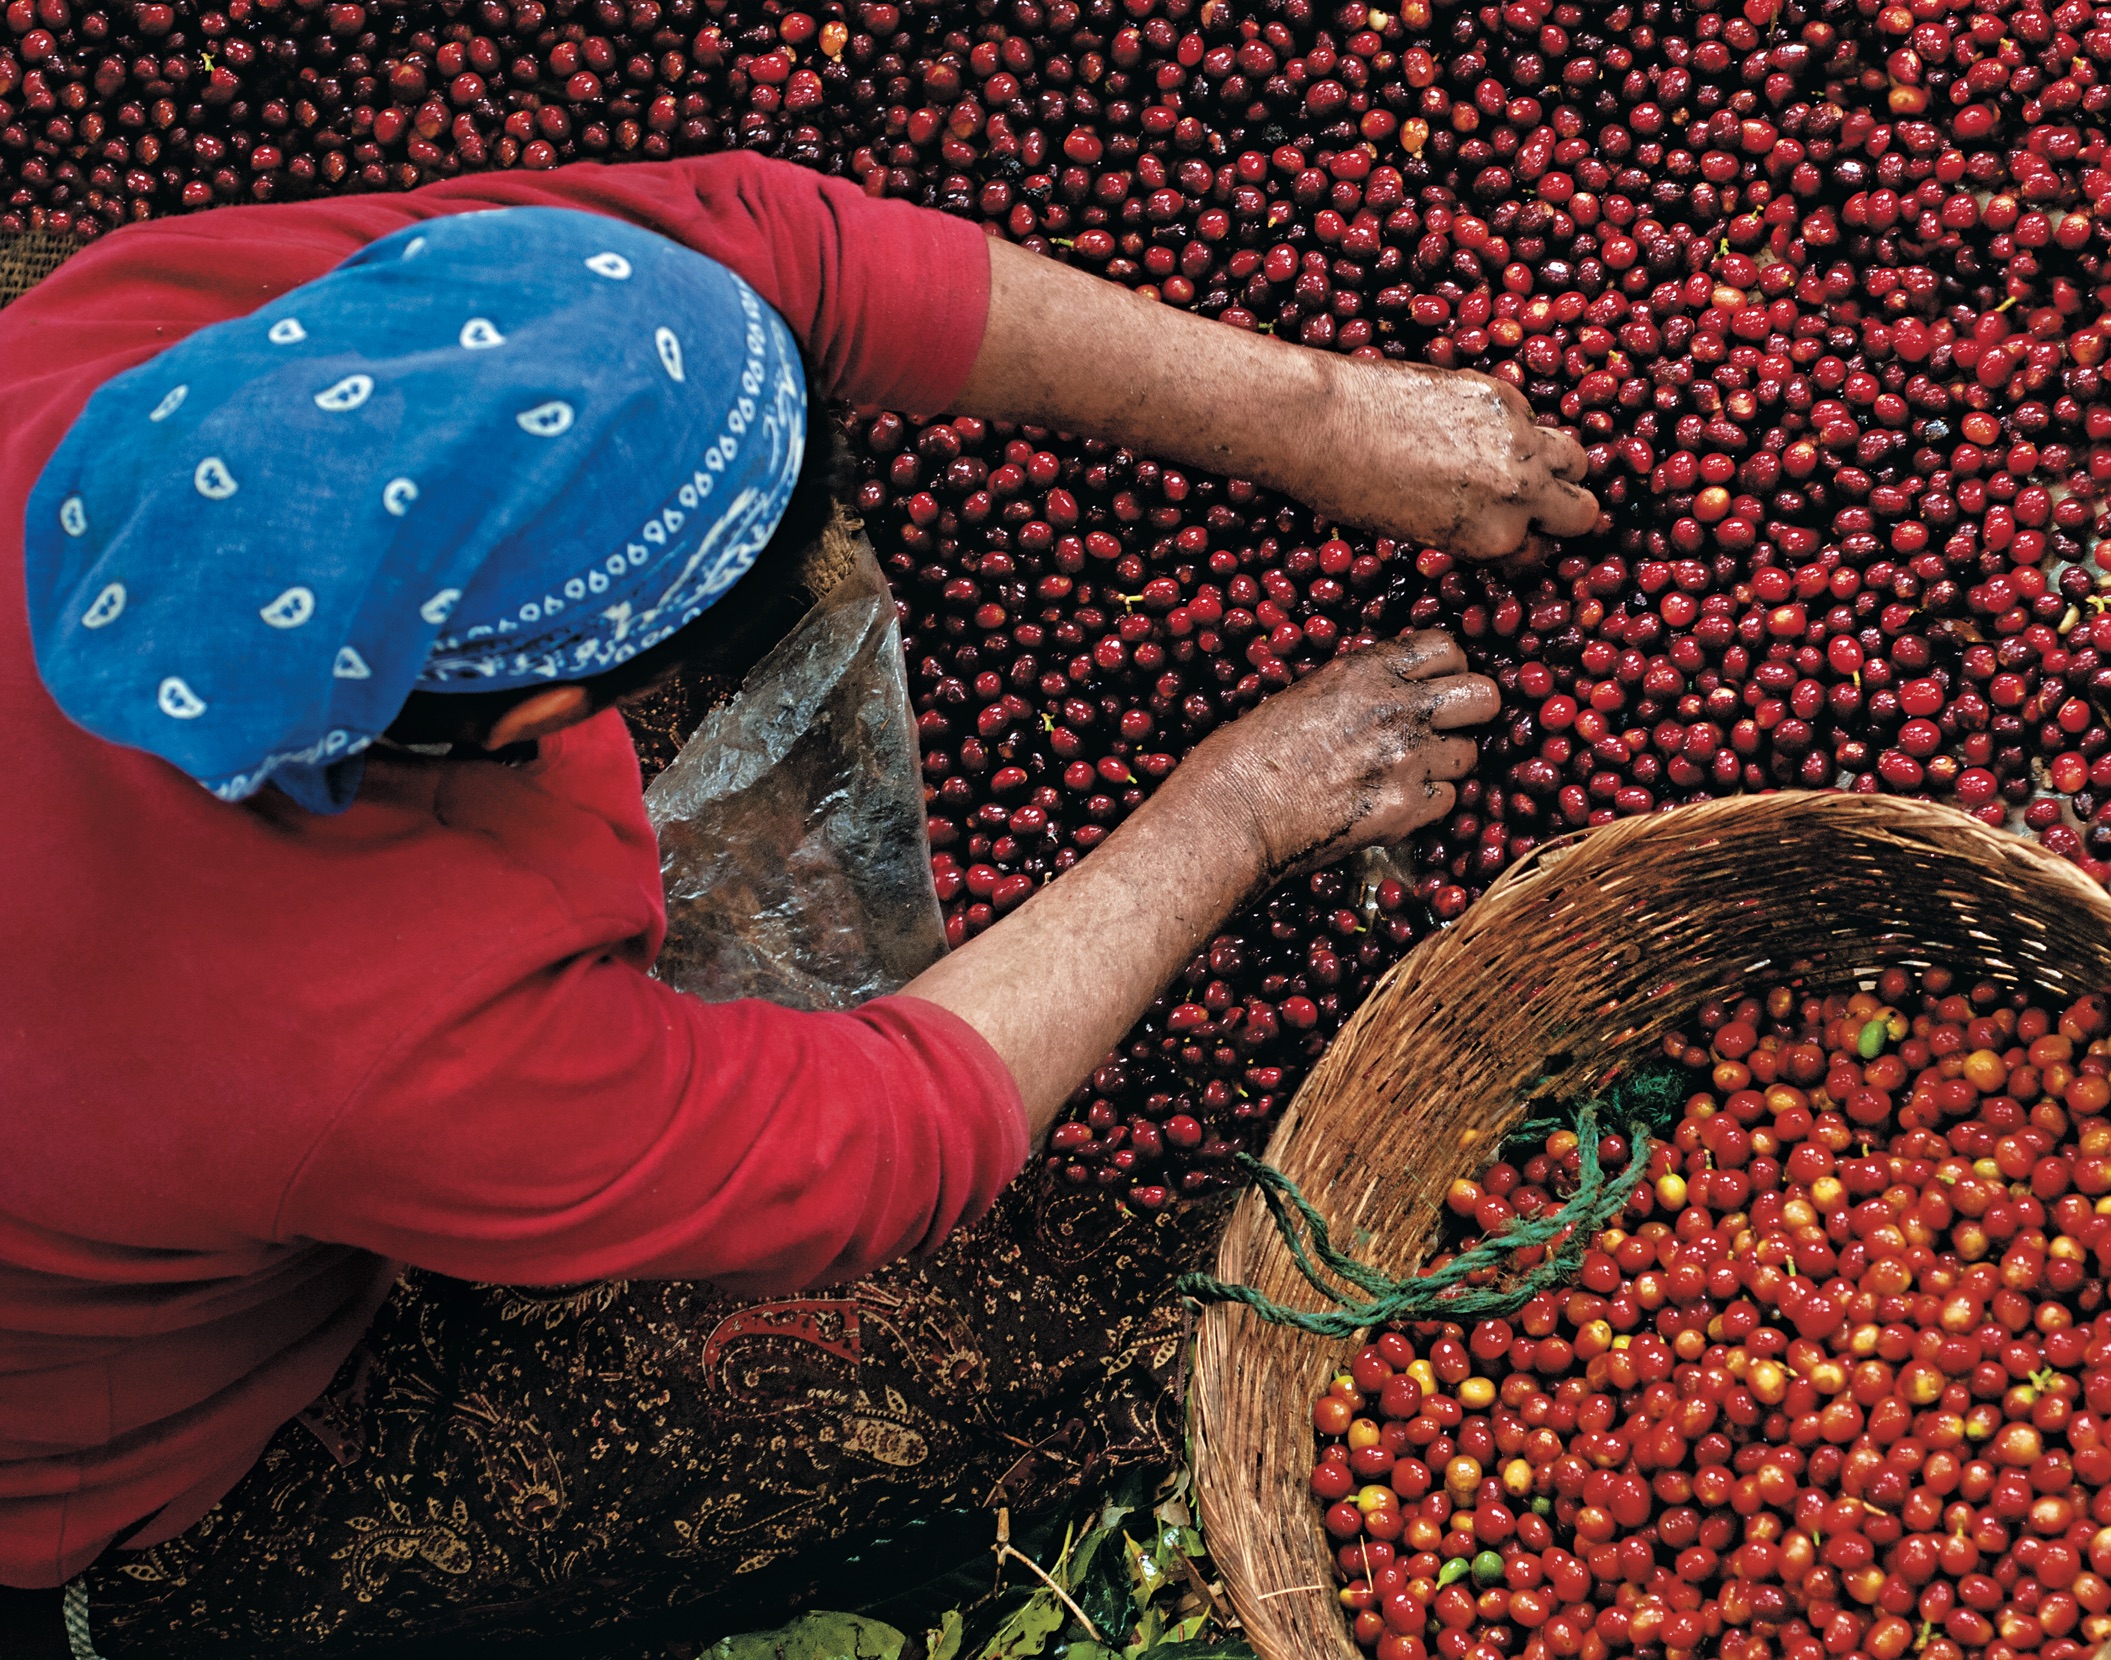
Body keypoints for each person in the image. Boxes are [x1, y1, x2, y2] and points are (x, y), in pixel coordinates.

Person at [0, 153, 1598, 1656]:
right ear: (502, 729)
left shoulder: (139, 350)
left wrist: (1325, 413)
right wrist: (1240, 806)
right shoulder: (354, 1030)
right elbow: (875, 1148)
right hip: (86, 1400)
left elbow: (777, 249)